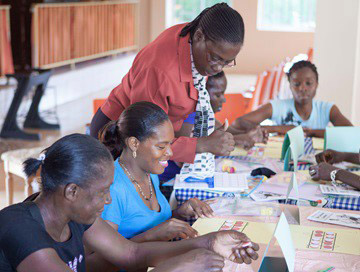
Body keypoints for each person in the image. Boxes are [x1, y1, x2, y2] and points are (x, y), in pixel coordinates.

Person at [0, 134, 259, 272]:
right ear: (72, 191)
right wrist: (176, 267)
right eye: (102, 192)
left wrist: (210, 242)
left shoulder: (73, 215)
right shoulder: (19, 227)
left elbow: (131, 253)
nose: (108, 199)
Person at [90, 3, 246, 164]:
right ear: (199, 36)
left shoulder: (197, 45)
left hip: (157, 140)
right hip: (116, 140)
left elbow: (189, 106)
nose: (218, 67)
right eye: (215, 58)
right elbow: (145, 140)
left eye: (227, 62)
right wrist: (201, 144)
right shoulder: (159, 71)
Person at [99, 102, 214, 241]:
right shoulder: (112, 188)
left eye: (170, 144)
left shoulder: (150, 173)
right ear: (134, 144)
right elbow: (102, 256)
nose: (170, 152)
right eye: (161, 146)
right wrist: (153, 235)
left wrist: (179, 213)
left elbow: (152, 224)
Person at [231, 60, 352, 138]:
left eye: (308, 83)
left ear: (317, 84)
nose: (302, 88)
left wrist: (309, 132)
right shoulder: (278, 106)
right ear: (290, 85)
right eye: (296, 84)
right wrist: (277, 128)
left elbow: (352, 134)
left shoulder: (327, 109)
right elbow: (239, 123)